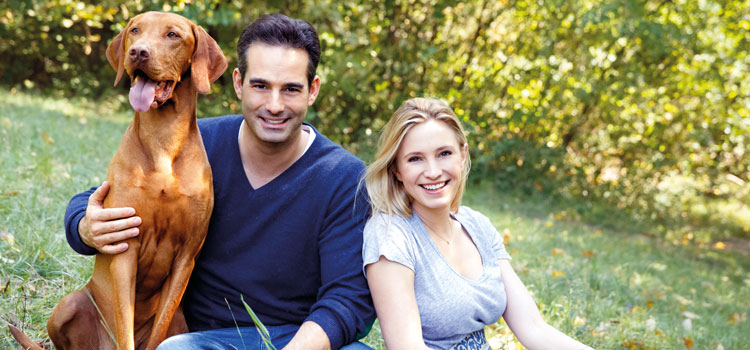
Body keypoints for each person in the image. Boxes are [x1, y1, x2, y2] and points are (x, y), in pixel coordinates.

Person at [64, 14, 375, 350]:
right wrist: (84, 224)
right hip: (203, 340)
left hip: (299, 339)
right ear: (239, 83)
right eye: (261, 86)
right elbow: (107, 194)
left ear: (312, 91)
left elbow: (349, 298)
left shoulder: (344, 178)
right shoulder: (195, 145)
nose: (274, 105)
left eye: (291, 89)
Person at [362, 97, 592, 350]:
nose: (433, 171)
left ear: (462, 156)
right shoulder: (391, 235)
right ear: (396, 170)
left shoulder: (477, 225)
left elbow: (534, 330)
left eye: (444, 154)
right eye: (415, 159)